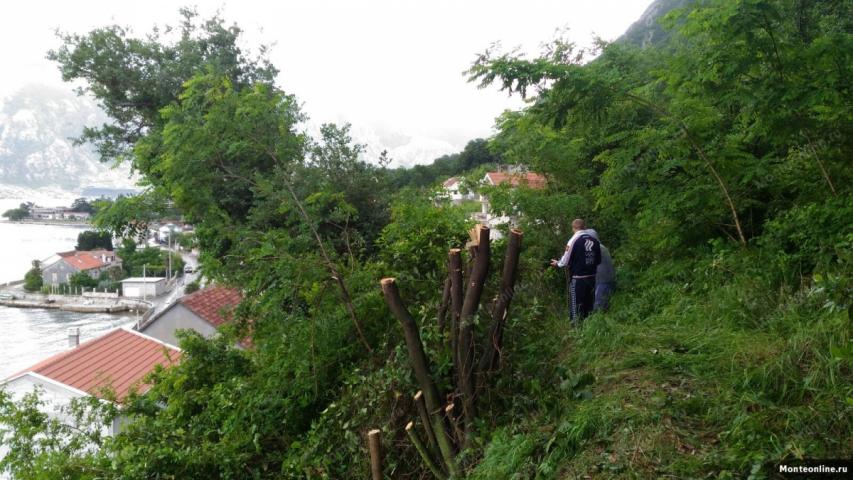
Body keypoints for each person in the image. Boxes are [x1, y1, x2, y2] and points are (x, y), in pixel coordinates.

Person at [551, 218, 601, 326]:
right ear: (585, 227)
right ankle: (589, 328)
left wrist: (558, 263)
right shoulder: (595, 241)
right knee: (589, 305)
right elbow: (598, 261)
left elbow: (566, 259)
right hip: (592, 278)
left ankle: (576, 330)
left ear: (573, 228)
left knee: (576, 307)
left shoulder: (574, 240)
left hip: (578, 279)